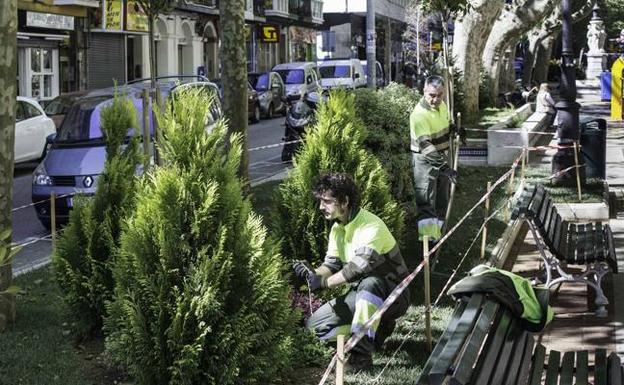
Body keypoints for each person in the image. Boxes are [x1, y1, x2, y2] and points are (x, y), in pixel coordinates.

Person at [293, 172, 410, 371]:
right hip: (363, 294)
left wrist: (324, 283)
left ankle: (360, 357)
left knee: (370, 284)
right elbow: (330, 266)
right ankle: (378, 328)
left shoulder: (371, 226)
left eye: (327, 201)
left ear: (344, 201)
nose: (321, 207)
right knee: (315, 327)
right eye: (320, 201)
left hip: (394, 296)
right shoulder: (337, 228)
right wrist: (313, 274)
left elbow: (356, 270)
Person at [409, 75, 454, 243]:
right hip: (425, 160)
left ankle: (439, 235)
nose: (436, 99)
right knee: (426, 201)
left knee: (443, 197)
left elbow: (443, 126)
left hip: (440, 158)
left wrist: (453, 129)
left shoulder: (442, 105)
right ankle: (428, 244)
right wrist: (445, 167)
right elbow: (426, 147)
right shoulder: (419, 114)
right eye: (432, 95)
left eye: (439, 95)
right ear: (424, 92)